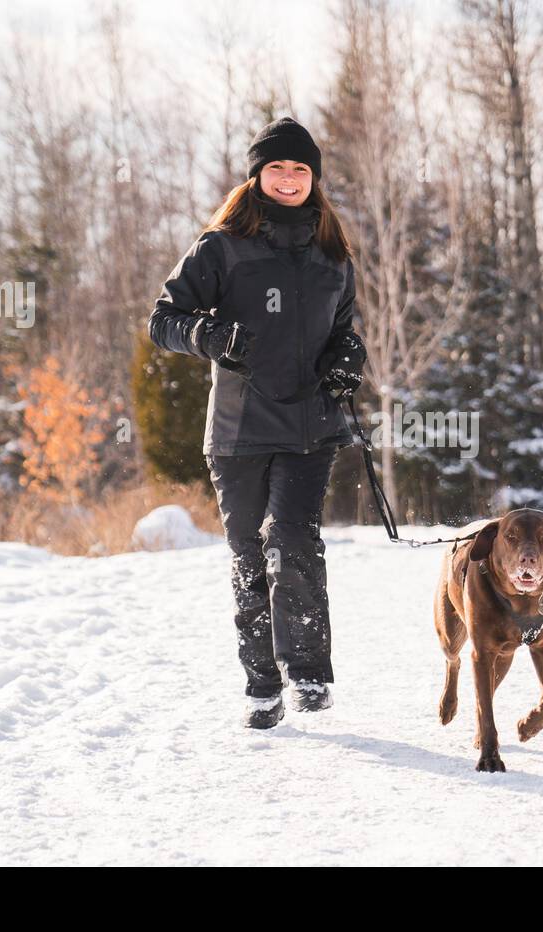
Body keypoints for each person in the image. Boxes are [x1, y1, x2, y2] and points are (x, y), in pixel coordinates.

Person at [147, 117, 368, 729]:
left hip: (309, 427)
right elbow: (163, 320)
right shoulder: (222, 247)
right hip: (239, 431)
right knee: (249, 555)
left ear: (314, 178)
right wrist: (211, 335)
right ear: (257, 175)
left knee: (293, 540)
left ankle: (310, 674)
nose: (290, 178)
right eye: (278, 167)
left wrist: (349, 358)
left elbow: (344, 331)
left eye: (300, 169)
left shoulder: (332, 254)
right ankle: (262, 683)